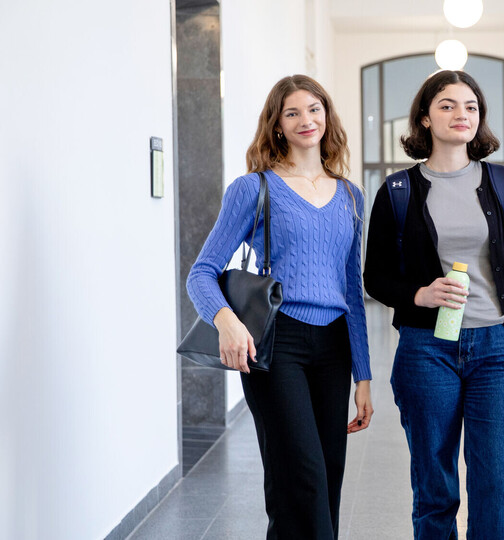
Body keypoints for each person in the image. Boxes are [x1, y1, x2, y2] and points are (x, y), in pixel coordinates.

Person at [186, 74, 373, 540]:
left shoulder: (351, 196)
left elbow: (352, 290)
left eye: (314, 109)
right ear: (277, 125)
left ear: (327, 115)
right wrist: (226, 321)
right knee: (302, 475)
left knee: (325, 479)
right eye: (292, 112)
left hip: (333, 348)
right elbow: (201, 272)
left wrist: (363, 376)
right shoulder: (253, 189)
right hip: (275, 343)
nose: (306, 120)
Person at [363, 69, 504, 540]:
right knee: (435, 488)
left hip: (497, 350)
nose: (460, 114)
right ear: (424, 118)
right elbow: (374, 276)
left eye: (470, 107)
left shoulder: (503, 185)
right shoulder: (397, 191)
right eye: (447, 105)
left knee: (499, 486)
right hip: (427, 348)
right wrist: (419, 295)